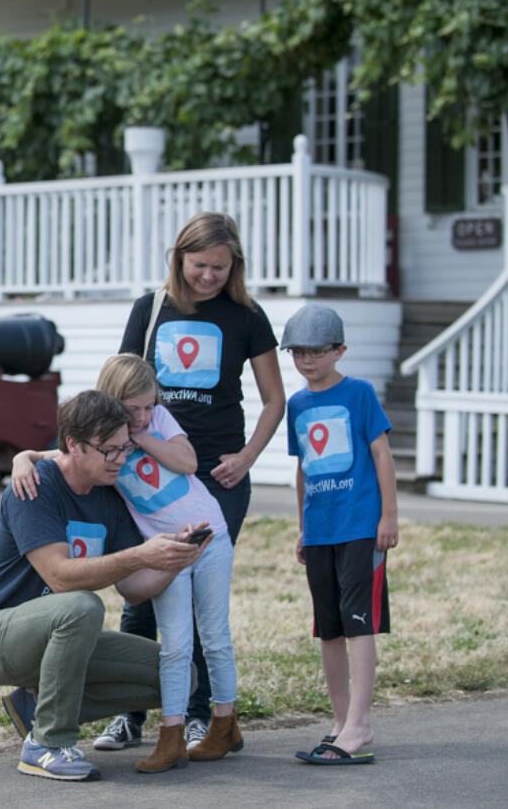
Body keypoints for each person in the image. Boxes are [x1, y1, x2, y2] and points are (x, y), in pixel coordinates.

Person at [0, 390, 208, 782]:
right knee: (82, 605)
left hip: (59, 633)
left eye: (124, 449)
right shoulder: (35, 485)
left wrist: (173, 559)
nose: (121, 460)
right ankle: (48, 744)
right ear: (73, 444)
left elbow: (134, 589)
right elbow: (58, 575)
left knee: (178, 677)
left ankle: (36, 707)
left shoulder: (110, 496)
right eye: (110, 451)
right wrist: (141, 555)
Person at [102, 210, 285, 750]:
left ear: (236, 267)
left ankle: (203, 715)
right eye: (200, 265)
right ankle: (129, 713)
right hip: (146, 477)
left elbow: (275, 399)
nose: (209, 276)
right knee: (142, 596)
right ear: (179, 258)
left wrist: (248, 457)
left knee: (204, 602)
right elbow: (119, 388)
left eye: (221, 268)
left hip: (217, 480)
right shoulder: (150, 309)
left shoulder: (247, 316)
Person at [12, 354, 242, 773]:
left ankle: (225, 724)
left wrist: (142, 437)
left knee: (214, 636)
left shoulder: (158, 423)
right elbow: (60, 453)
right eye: (132, 408)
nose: (142, 415)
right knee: (175, 644)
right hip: (164, 549)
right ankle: (170, 736)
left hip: (209, 536)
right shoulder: (103, 440)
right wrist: (22, 457)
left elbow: (188, 463)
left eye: (148, 405)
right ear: (113, 402)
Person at [281, 303, 399, 766]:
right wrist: (303, 528)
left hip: (358, 526)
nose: (307, 361)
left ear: (339, 350)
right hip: (321, 530)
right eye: (298, 353)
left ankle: (361, 723)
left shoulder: (360, 393)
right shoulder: (297, 404)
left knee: (357, 622)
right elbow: (304, 470)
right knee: (327, 627)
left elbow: (382, 455)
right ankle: (342, 720)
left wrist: (388, 517)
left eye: (317, 351)